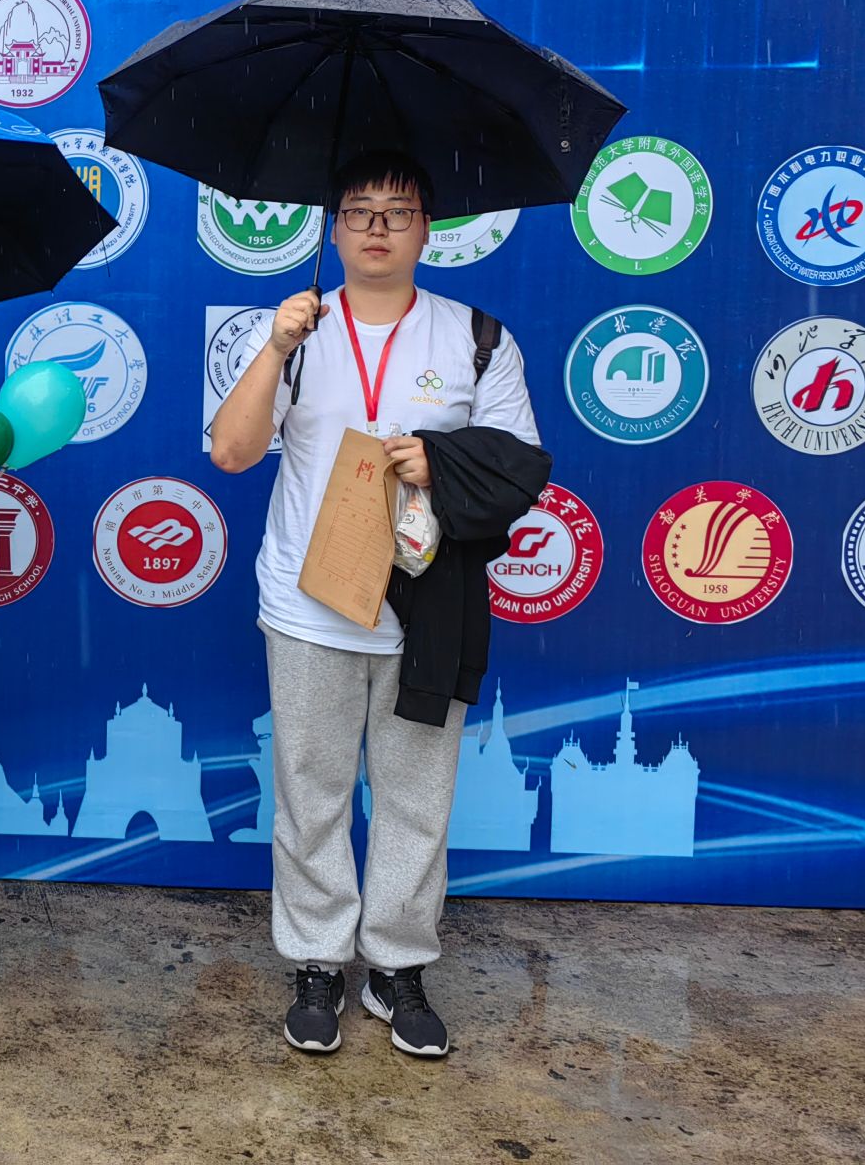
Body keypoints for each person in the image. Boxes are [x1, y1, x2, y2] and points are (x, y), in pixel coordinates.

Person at [209, 150, 543, 1060]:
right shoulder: (297, 331)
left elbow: (521, 465)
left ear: (428, 229)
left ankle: (397, 967)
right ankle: (318, 961)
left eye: (399, 211)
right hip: (306, 603)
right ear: (333, 229)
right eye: (359, 211)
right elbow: (231, 453)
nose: (378, 228)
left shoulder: (476, 336)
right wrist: (277, 348)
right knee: (309, 793)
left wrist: (441, 461)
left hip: (427, 609)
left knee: (415, 799)